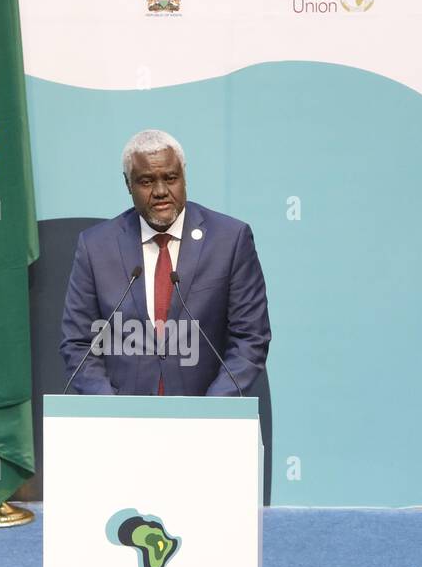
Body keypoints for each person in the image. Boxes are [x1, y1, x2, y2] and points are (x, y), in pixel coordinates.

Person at [60, 129, 271, 396]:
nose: (161, 191)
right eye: (146, 181)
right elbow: (79, 343)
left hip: (208, 424)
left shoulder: (229, 240)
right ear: (128, 185)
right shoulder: (96, 247)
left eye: (170, 178)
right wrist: (110, 410)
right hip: (121, 425)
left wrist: (213, 411)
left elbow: (250, 338)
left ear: (184, 176)